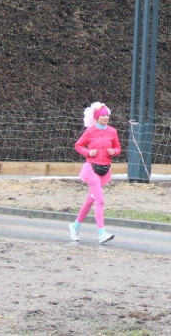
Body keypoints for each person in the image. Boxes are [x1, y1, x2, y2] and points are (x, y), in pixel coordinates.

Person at [69, 102, 120, 244]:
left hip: (104, 169)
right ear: (96, 117)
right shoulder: (90, 131)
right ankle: (101, 233)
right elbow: (78, 145)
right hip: (91, 169)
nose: (105, 117)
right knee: (100, 200)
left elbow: (118, 147)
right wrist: (88, 152)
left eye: (107, 115)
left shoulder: (112, 131)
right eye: (102, 115)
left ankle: (75, 226)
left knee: (89, 201)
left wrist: (114, 152)